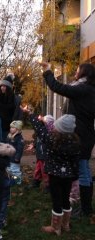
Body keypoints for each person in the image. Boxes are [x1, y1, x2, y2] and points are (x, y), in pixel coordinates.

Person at [40, 62, 95, 217]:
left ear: (84, 72)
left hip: (82, 137)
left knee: (83, 171)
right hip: (85, 135)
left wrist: (48, 71)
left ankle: (85, 209)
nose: (75, 72)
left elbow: (57, 87)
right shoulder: (87, 89)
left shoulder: (84, 89)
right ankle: (80, 204)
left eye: (78, 70)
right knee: (83, 169)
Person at [24, 108, 80, 236]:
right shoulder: (75, 142)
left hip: (55, 175)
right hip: (68, 176)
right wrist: (75, 176)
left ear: (59, 128)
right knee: (65, 198)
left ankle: (56, 228)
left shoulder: (52, 139)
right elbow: (75, 162)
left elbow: (39, 129)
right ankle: (65, 225)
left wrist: (30, 114)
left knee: (56, 200)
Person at [0, 120, 24, 228]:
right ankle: (11, 178)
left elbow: (20, 148)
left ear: (18, 129)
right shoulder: (9, 136)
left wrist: (18, 157)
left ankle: (17, 179)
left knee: (15, 171)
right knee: (9, 170)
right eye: (10, 127)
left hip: (15, 158)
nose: (11, 129)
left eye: (13, 128)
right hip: (8, 158)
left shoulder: (19, 138)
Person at [29, 115, 54, 192]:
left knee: (45, 171)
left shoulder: (47, 133)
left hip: (45, 156)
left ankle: (48, 185)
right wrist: (33, 145)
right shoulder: (39, 133)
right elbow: (37, 140)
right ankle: (36, 181)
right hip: (39, 156)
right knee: (38, 170)